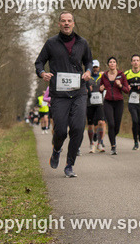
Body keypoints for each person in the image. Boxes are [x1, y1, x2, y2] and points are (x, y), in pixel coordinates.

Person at [34, 11, 93, 177]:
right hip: (59, 94)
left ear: (73, 23)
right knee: (60, 131)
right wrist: (42, 73)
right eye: (63, 21)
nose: (66, 23)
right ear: (59, 24)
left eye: (69, 21)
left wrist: (88, 71)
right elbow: (39, 62)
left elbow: (88, 61)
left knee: (78, 128)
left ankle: (69, 165)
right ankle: (57, 149)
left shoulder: (82, 42)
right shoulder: (51, 43)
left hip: (79, 91)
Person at [98, 56, 129, 155]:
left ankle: (112, 136)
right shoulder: (104, 76)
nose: (112, 63)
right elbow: (100, 88)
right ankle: (113, 146)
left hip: (119, 102)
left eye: (114, 62)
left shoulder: (121, 75)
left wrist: (120, 85)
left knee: (116, 126)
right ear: (108, 65)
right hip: (107, 102)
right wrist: (101, 89)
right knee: (111, 123)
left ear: (116, 64)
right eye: (110, 62)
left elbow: (127, 90)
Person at [125, 55, 140, 150]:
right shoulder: (127, 73)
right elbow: (122, 84)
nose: (135, 62)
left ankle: (139, 132)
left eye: (137, 60)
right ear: (131, 62)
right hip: (132, 101)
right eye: (134, 60)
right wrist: (126, 87)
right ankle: (135, 141)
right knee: (135, 121)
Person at [86, 60, 106, 152]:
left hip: (99, 103)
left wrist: (104, 87)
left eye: (96, 67)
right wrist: (86, 89)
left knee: (101, 122)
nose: (95, 69)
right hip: (89, 104)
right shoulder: (87, 77)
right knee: (90, 125)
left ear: (99, 67)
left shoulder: (102, 76)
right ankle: (91, 144)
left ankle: (99, 143)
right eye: (93, 67)